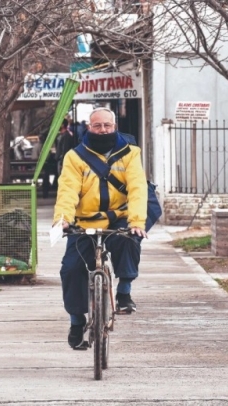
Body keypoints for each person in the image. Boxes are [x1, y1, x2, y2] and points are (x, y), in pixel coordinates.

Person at [53, 107, 148, 349]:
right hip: (86, 220)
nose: (102, 129)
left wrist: (137, 221)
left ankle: (124, 292)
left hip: (120, 216)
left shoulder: (130, 153)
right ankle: (76, 321)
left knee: (129, 240)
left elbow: (138, 188)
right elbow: (67, 190)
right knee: (72, 268)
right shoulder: (75, 156)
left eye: (107, 125)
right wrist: (63, 218)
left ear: (114, 126)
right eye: (97, 125)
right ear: (89, 127)